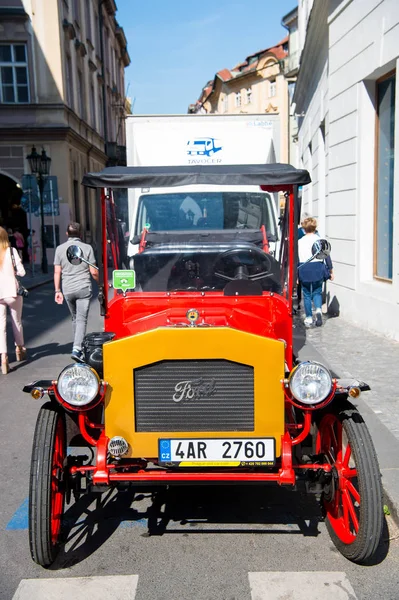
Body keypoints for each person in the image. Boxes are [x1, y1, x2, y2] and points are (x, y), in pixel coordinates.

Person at [54, 221, 99, 361]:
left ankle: (77, 347)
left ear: (67, 234)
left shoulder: (60, 249)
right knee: (81, 319)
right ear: (80, 234)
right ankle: (77, 349)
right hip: (83, 288)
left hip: (68, 289)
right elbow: (94, 272)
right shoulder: (87, 248)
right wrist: (100, 283)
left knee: (75, 318)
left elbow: (57, 272)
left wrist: (57, 290)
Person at [298, 217, 334, 328]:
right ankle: (318, 310)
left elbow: (296, 259)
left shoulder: (299, 242)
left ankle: (309, 318)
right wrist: (331, 270)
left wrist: (296, 276)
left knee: (307, 294)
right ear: (315, 228)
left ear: (304, 229)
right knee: (317, 291)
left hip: (304, 268)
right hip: (318, 267)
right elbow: (326, 256)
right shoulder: (319, 240)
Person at [0, 226, 27, 374]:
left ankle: (4, 358)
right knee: (16, 321)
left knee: (0, 326)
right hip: (12, 292)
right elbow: (22, 272)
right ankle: (19, 348)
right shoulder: (11, 251)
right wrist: (15, 269)